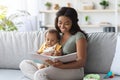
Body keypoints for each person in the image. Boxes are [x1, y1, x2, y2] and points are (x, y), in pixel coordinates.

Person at [19, 7, 87, 80]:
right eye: (60, 23)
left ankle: (41, 76)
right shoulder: (58, 36)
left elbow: (81, 62)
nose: (62, 26)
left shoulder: (79, 36)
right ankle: (41, 77)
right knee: (24, 63)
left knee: (40, 74)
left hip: (74, 70)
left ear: (73, 23)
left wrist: (61, 66)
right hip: (55, 67)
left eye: (66, 23)